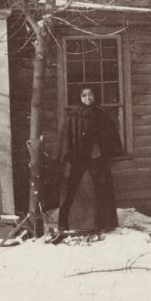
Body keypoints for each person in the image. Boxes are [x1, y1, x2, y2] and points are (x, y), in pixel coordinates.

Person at [57, 86, 122, 233]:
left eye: (90, 94)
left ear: (95, 96)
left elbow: (110, 134)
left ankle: (103, 224)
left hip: (97, 159)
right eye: (84, 95)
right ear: (79, 97)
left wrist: (103, 150)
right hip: (78, 160)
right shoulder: (73, 116)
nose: (87, 98)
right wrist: (71, 155)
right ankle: (69, 224)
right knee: (74, 190)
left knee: (101, 189)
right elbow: (66, 138)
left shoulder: (101, 114)